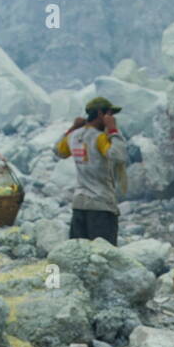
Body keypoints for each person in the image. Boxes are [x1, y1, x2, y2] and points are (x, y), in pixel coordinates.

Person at [54, 96, 127, 244]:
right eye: (110, 114)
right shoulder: (99, 138)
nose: (112, 118)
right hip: (101, 205)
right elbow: (119, 155)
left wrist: (72, 129)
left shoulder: (74, 136)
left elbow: (58, 151)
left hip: (79, 205)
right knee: (103, 254)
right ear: (101, 114)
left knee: (80, 252)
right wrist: (113, 130)